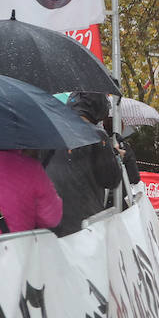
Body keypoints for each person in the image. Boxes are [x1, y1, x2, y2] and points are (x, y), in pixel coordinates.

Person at [44, 92, 123, 237]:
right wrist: (115, 155)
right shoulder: (97, 136)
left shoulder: (51, 131)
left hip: (51, 224)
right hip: (85, 226)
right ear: (98, 108)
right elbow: (111, 179)